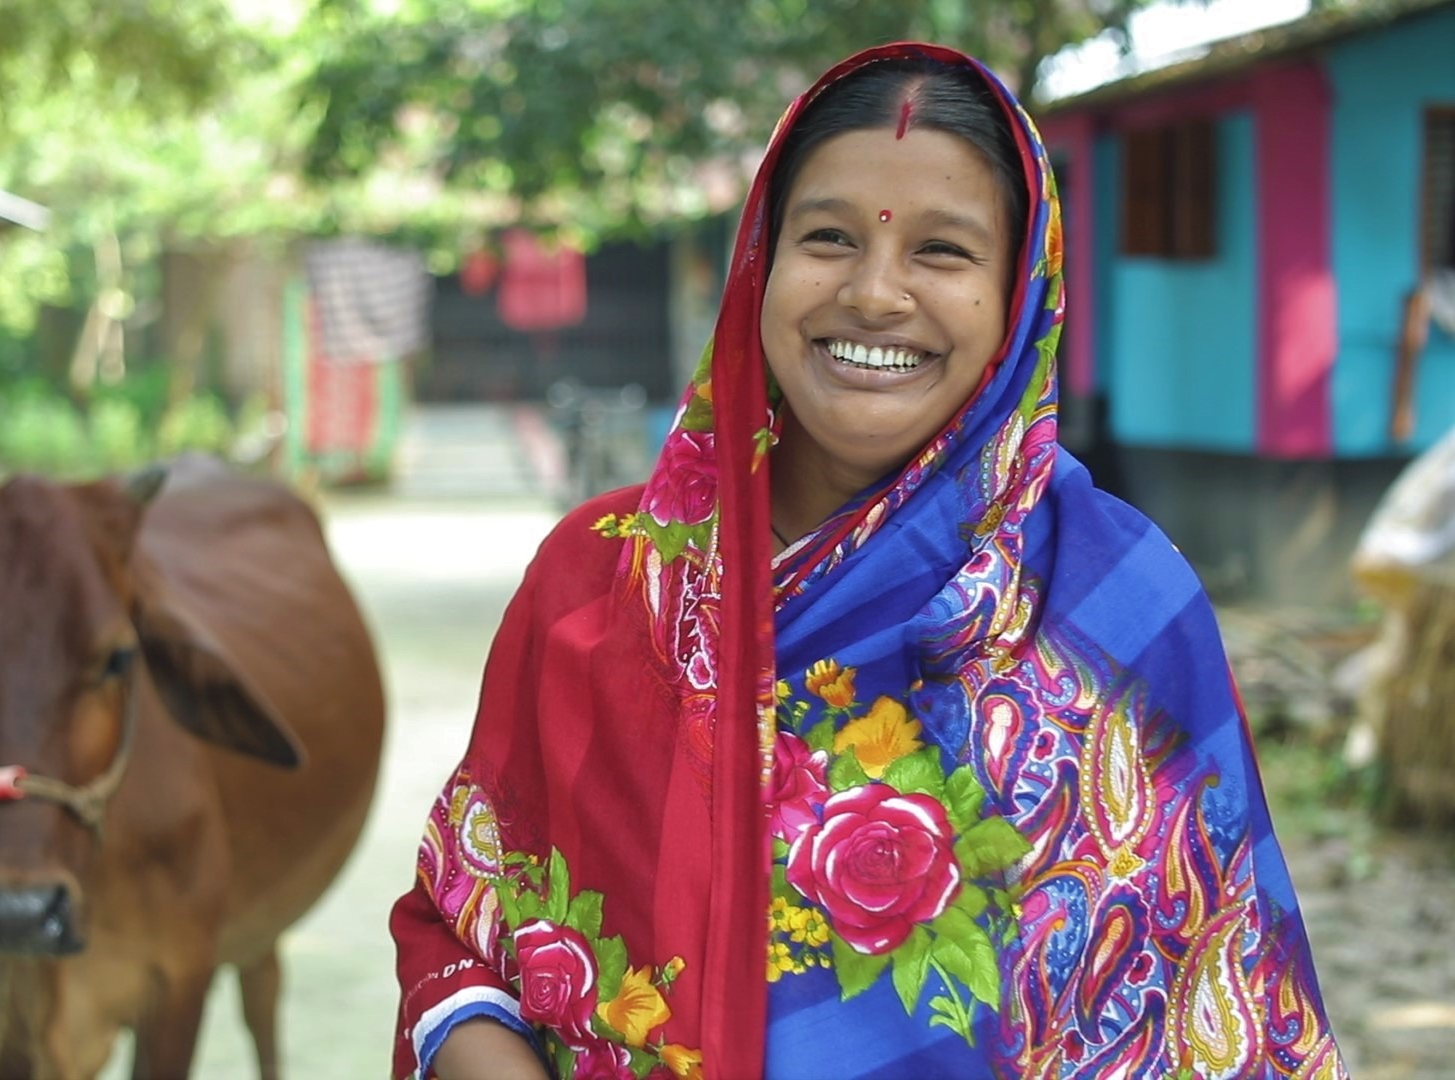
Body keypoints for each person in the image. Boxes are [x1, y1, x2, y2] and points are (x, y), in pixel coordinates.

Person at [390, 42, 1344, 1080]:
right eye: (829, 238)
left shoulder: (1119, 609)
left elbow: (1221, 1016)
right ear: (760, 260)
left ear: (1021, 294)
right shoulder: (599, 584)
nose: (876, 294)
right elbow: (460, 930)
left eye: (942, 252)